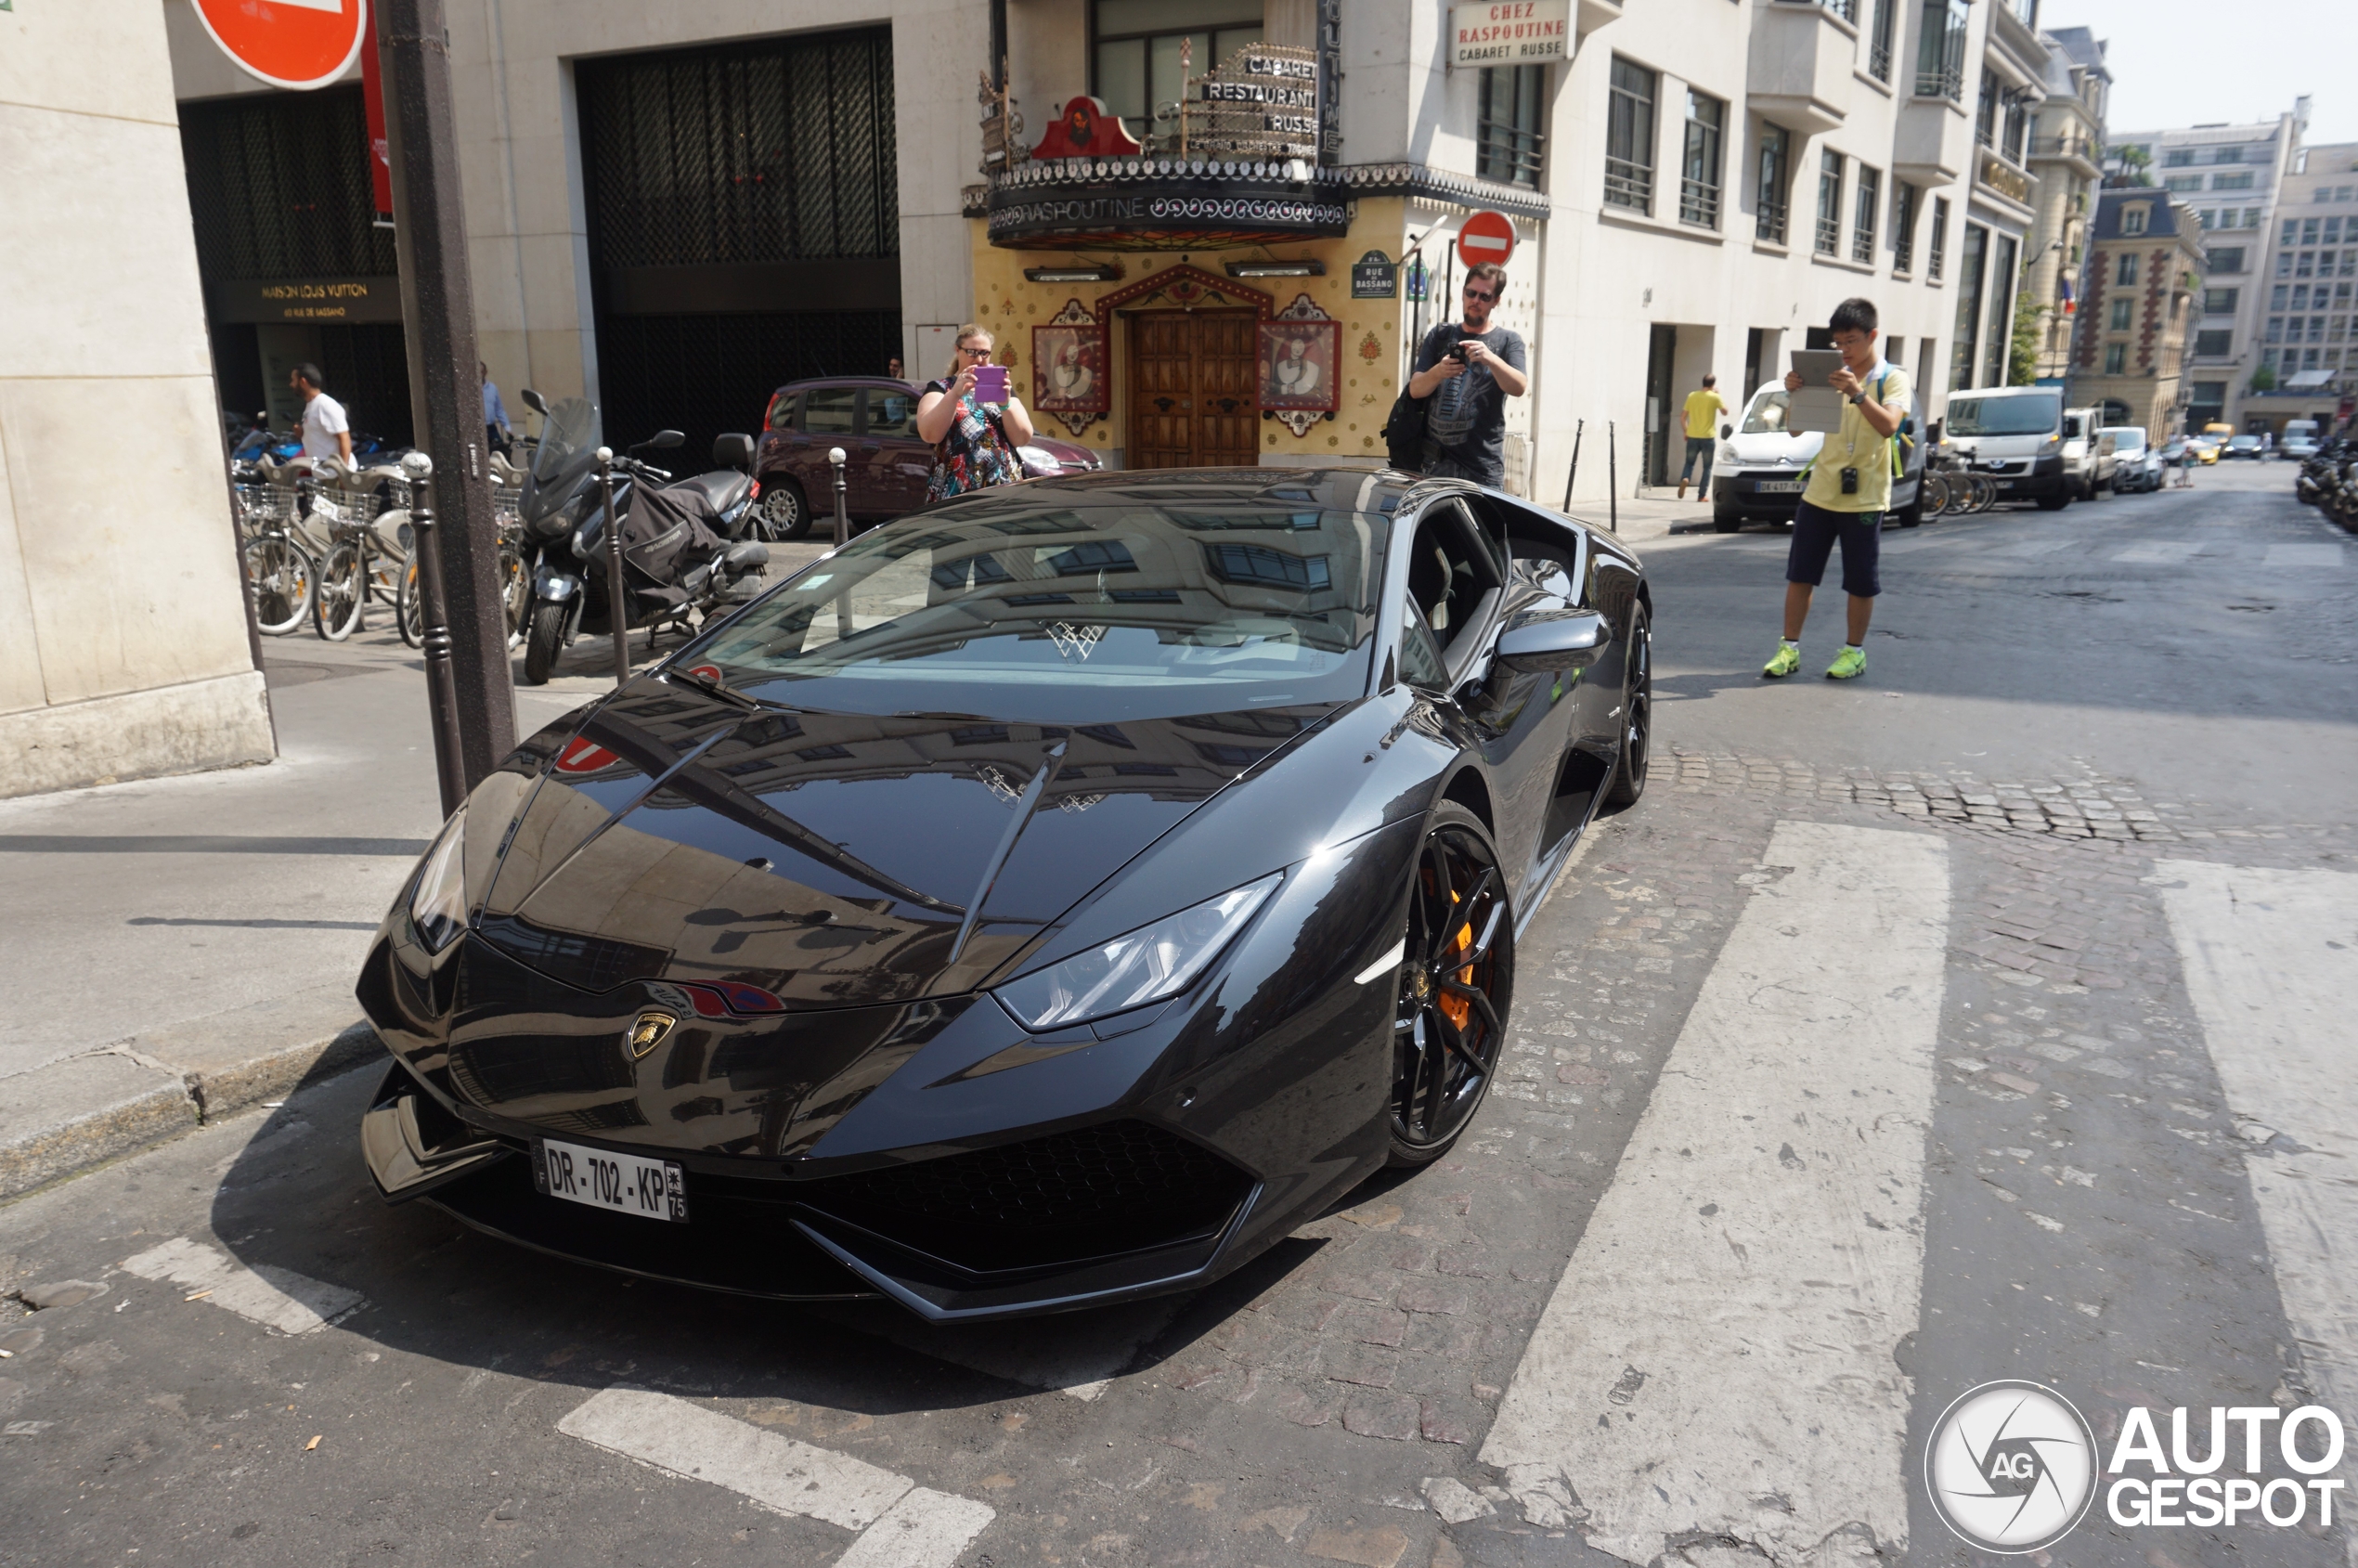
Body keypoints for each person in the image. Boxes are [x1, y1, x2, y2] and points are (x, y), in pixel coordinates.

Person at [1762, 297, 1910, 681]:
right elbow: (1795, 429)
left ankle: (1853, 652)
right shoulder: (1828, 373)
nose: (1843, 349)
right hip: (1820, 492)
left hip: (1866, 496)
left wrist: (1858, 393)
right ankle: (1788, 649)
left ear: (1872, 335)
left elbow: (1890, 426)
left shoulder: (1891, 377)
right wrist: (1795, 393)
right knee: (1801, 575)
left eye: (1851, 341)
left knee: (1860, 580)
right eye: (1838, 343)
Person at [1407, 262, 1528, 486]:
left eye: (1485, 296)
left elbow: (1519, 386)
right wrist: (1439, 372)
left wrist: (1491, 359)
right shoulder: (1440, 335)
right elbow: (1416, 390)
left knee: (1482, 523)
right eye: (1471, 293)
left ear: (1496, 301)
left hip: (1482, 467)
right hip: (1435, 466)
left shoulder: (1508, 341)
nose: (1476, 301)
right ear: (1463, 293)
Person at [915, 324, 1033, 502]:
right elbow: (930, 434)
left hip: (1002, 488)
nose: (979, 359)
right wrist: (955, 394)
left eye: (985, 353)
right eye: (972, 352)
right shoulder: (940, 389)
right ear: (957, 350)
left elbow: (1022, 438)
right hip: (955, 488)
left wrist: (1005, 404)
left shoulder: (1002, 389)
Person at [1677, 373, 1729, 500]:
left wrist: (1685, 431)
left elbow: (1682, 417)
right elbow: (1725, 412)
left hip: (1692, 436)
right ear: (1712, 384)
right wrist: (1717, 394)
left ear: (1703, 382)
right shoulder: (1714, 397)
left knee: (1689, 462)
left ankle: (1685, 478)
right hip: (1708, 437)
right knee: (1707, 467)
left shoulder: (1692, 395)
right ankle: (1701, 496)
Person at [291, 363, 352, 467]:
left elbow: (344, 437)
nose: (291, 384)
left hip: (334, 474)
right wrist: (302, 433)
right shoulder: (311, 405)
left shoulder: (324, 404)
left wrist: (343, 473)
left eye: (293, 380)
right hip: (324, 473)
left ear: (303, 382)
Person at [482, 362, 511, 456]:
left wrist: (507, 428)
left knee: (500, 452)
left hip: (491, 428)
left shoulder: (492, 388)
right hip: (477, 429)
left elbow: (499, 410)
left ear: (485, 372)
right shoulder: (469, 389)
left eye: (481, 372)